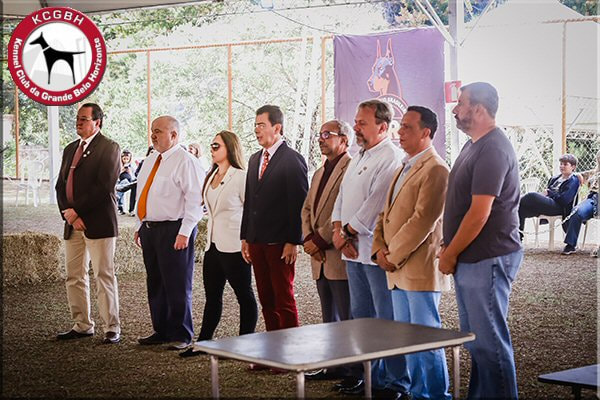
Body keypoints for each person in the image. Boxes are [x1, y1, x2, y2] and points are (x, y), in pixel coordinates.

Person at [439, 82, 523, 399]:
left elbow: (479, 213)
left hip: (488, 255)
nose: (455, 109)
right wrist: (449, 245)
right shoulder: (473, 145)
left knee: (489, 343)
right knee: (477, 341)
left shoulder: (494, 149)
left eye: (461, 103)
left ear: (478, 109)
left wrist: (451, 252)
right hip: (471, 256)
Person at [372, 106, 451, 399]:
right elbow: (385, 214)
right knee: (407, 338)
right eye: (400, 125)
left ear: (426, 132)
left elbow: (423, 221)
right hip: (395, 266)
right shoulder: (403, 166)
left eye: (407, 127)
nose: (400, 131)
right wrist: (378, 249)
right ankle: (417, 393)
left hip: (418, 268)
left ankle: (436, 395)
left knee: (426, 338)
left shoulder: (437, 169)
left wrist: (391, 256)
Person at [331, 99, 408, 398]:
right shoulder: (359, 156)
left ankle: (396, 382)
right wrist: (338, 230)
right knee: (361, 317)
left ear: (383, 127)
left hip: (375, 252)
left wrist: (347, 233)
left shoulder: (391, 157)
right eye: (356, 122)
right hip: (351, 252)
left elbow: (376, 204)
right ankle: (370, 378)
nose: (356, 127)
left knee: (385, 319)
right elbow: (341, 197)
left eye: (362, 123)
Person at [180, 131, 258, 358]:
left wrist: (247, 240)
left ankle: (245, 343)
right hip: (212, 245)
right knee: (212, 296)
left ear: (230, 148)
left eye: (216, 146)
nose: (212, 150)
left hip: (234, 245)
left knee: (244, 294)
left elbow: (251, 211)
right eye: (212, 146)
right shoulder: (211, 174)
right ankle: (203, 342)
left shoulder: (241, 176)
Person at [240, 105, 308, 355]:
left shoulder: (292, 159)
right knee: (266, 298)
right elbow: (250, 200)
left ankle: (291, 351)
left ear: (277, 128)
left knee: (283, 298)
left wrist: (293, 240)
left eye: (261, 125)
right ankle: (273, 351)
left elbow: (299, 203)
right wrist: (245, 236)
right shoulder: (254, 159)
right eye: (255, 125)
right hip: (257, 240)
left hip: (280, 242)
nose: (256, 130)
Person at [134, 116, 205, 350]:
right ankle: (161, 330)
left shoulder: (186, 161)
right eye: (152, 131)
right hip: (150, 229)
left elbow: (195, 200)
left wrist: (185, 232)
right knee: (155, 281)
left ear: (174, 135)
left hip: (175, 228)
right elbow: (142, 193)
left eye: (158, 131)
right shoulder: (150, 160)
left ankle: (182, 334)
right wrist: (139, 225)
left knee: (177, 283)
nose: (153, 135)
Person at [55, 103, 122, 344]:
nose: (79, 122)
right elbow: (60, 185)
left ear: (97, 122)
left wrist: (77, 211)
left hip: (99, 223)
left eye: (84, 119)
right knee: (74, 276)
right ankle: (82, 324)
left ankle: (111, 327)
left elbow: (104, 187)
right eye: (78, 118)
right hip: (72, 223)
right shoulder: (70, 148)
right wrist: (68, 214)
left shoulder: (109, 147)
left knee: (104, 275)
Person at [301, 119, 354, 381]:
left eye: (326, 134)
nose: (320, 139)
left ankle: (353, 370)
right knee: (328, 316)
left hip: (338, 252)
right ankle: (333, 366)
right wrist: (308, 238)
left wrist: (320, 241)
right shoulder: (319, 173)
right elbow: (307, 209)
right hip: (319, 256)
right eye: (319, 135)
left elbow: (344, 210)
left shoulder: (351, 168)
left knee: (347, 316)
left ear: (344, 140)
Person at [518, 154, 580, 240]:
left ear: (573, 167)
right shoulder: (555, 178)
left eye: (565, 164)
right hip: (548, 204)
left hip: (559, 207)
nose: (562, 166)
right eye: (561, 164)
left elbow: (564, 200)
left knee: (532, 196)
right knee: (520, 208)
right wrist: (546, 194)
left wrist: (550, 193)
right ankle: (517, 239)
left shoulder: (573, 181)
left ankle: (516, 199)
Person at [562, 150, 600, 255]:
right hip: (592, 199)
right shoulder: (594, 172)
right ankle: (570, 244)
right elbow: (576, 174)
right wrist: (577, 174)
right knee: (577, 211)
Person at [116, 149, 136, 215]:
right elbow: (115, 177)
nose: (126, 160)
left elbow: (134, 178)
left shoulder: (132, 166)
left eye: (127, 159)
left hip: (130, 182)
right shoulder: (118, 165)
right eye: (124, 159)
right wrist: (121, 171)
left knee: (125, 183)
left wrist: (130, 172)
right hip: (120, 182)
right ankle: (120, 207)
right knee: (122, 183)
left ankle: (118, 198)